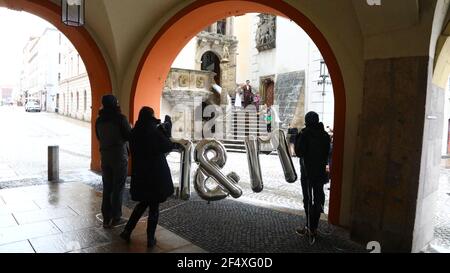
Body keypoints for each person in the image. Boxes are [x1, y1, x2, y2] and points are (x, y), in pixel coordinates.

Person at [120, 107, 174, 248]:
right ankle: (150, 239)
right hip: (155, 175)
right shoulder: (154, 132)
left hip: (141, 174)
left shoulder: (134, 132)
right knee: (154, 208)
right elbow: (167, 146)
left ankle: (127, 231)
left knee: (142, 204)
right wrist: (167, 131)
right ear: (151, 116)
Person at [95, 95, 131, 228]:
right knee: (118, 187)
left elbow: (99, 137)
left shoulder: (99, 120)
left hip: (105, 156)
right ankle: (116, 217)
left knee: (107, 187)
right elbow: (129, 136)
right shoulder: (120, 118)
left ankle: (106, 218)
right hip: (119, 156)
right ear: (115, 104)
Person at [294, 111, 331, 245]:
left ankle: (310, 228)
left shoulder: (305, 134)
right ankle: (314, 227)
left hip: (307, 173)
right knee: (318, 198)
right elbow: (327, 153)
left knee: (308, 199)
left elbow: (299, 152)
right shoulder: (325, 135)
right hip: (320, 173)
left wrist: (298, 137)